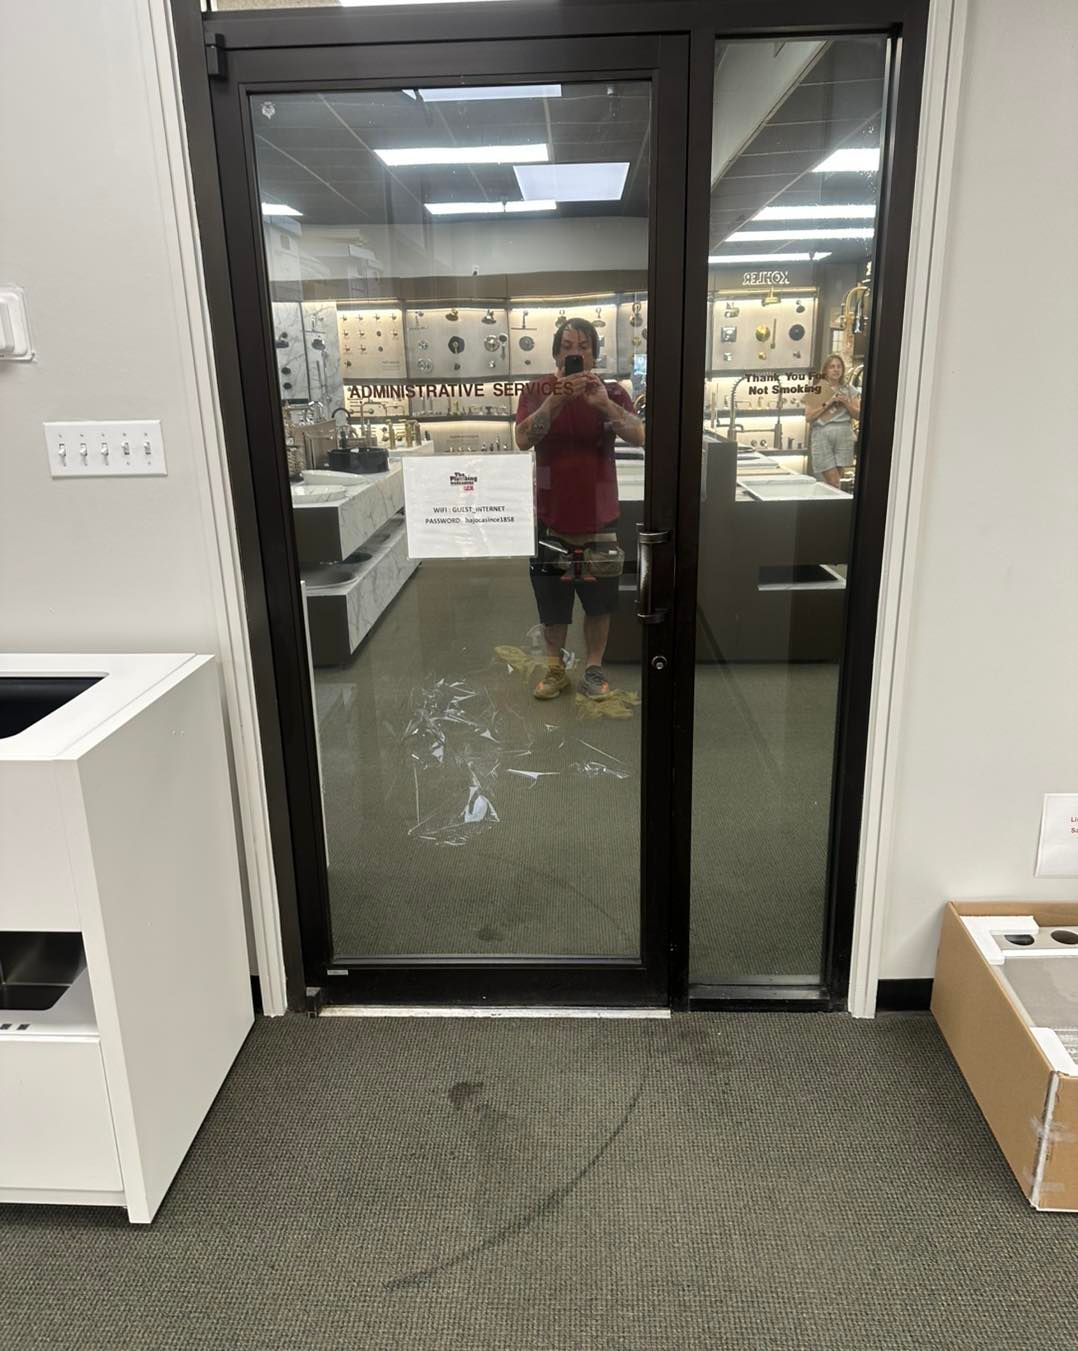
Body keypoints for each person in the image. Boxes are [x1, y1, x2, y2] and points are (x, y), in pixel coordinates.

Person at [514, 318, 645, 700]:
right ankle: (555, 670)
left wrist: (603, 405)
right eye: (568, 345)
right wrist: (555, 401)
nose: (575, 352)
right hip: (549, 516)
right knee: (551, 602)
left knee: (599, 602)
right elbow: (522, 439)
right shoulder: (537, 390)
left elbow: (638, 434)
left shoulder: (612, 392)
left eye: (584, 346)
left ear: (594, 353)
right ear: (556, 352)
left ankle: (593, 668)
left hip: (599, 517)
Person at [805, 353, 860, 488]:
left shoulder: (850, 390)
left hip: (843, 434)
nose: (836, 370)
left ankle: (830, 504)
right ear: (825, 370)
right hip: (822, 434)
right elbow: (809, 416)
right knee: (833, 480)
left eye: (839, 367)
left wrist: (847, 403)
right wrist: (828, 403)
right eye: (832, 367)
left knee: (836, 481)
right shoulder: (816, 390)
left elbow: (858, 415)